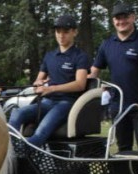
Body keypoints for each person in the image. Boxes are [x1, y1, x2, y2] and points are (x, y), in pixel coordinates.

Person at [8, 14, 90, 147]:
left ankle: (21, 153)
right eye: (58, 31)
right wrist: (38, 85)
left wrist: (51, 88)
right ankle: (12, 148)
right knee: (17, 113)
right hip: (46, 101)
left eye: (66, 31)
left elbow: (80, 84)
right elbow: (38, 82)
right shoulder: (49, 56)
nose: (61, 35)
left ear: (74, 32)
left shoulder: (80, 56)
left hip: (66, 103)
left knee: (40, 133)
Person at [89, 3, 138, 152]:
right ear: (113, 21)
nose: (121, 21)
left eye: (125, 17)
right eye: (117, 18)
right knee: (123, 148)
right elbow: (93, 73)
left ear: (133, 17)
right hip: (118, 105)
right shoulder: (106, 45)